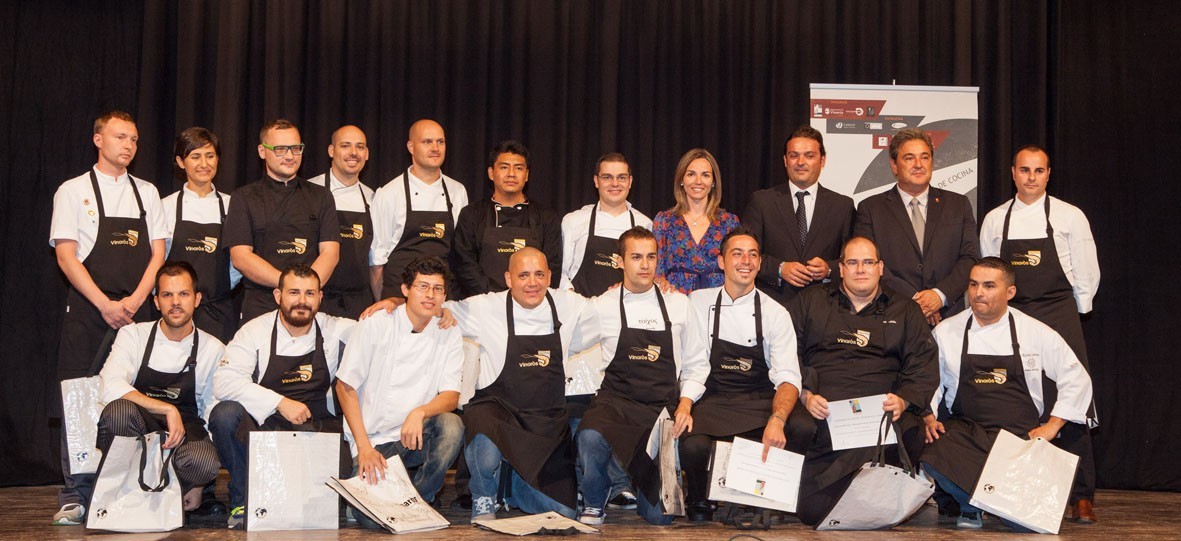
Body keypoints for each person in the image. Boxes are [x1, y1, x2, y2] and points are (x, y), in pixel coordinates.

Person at [49, 110, 168, 525]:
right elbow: (66, 256)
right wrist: (103, 303)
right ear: (98, 140)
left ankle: (133, 488)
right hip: (89, 310)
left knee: (135, 396)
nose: (128, 145)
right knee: (80, 399)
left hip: (135, 312)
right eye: (120, 137)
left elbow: (158, 253)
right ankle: (76, 494)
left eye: (133, 139)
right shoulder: (72, 191)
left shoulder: (147, 192)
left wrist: (135, 301)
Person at [920, 258, 1093, 531]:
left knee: (1029, 527)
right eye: (974, 284)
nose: (979, 293)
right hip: (967, 435)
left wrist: (1052, 426)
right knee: (931, 451)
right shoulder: (947, 331)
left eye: (989, 286)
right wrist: (929, 416)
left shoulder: (1035, 331)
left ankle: (982, 503)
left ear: (1010, 292)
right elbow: (930, 381)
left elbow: (1076, 377)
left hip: (1018, 438)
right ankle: (976, 506)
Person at [978, 145, 1101, 522]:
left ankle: (1081, 494)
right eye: (1024, 170)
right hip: (1015, 314)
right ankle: (1020, 488)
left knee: (1071, 396)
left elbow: (1086, 266)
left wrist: (1080, 308)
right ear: (1012, 173)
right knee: (1017, 399)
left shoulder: (1069, 216)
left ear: (1048, 174)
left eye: (1039, 170)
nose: (1031, 177)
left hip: (1059, 311)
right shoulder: (996, 219)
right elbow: (989, 270)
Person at [788, 236, 939, 526]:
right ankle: (852, 498)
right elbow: (786, 353)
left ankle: (830, 494)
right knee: (798, 427)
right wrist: (805, 394)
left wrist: (904, 400)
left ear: (880, 268)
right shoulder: (810, 301)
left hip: (880, 410)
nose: (861, 269)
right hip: (823, 407)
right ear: (841, 268)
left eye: (868, 262)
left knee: (910, 429)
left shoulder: (906, 310)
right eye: (853, 262)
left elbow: (923, 365)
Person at [571, 227, 706, 525]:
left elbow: (697, 362)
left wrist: (685, 404)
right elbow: (567, 341)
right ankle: (594, 499)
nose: (645, 265)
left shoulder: (678, 304)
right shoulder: (603, 305)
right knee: (589, 435)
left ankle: (634, 486)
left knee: (660, 518)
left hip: (659, 412)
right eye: (636, 257)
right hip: (615, 405)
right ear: (620, 262)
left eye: (651, 257)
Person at [446, 248, 589, 520]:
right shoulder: (485, 307)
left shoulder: (569, 305)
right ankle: (483, 495)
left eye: (539, 274)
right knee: (483, 425)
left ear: (549, 277)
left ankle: (508, 483)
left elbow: (612, 308)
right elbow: (432, 308)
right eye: (523, 275)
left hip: (545, 426)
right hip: (500, 413)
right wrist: (395, 300)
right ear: (508, 279)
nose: (532, 283)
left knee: (564, 512)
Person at [209, 264, 356, 529]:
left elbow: (381, 330)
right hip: (267, 426)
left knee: (321, 505)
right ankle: (243, 500)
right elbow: (223, 382)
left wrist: (392, 303)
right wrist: (280, 403)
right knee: (225, 414)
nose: (302, 301)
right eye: (294, 292)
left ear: (320, 297)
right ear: (278, 296)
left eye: (310, 293)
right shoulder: (254, 331)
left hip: (316, 428)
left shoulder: (337, 330)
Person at [674, 227, 803, 523]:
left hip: (757, 399)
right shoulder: (697, 302)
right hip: (715, 397)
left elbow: (788, 376)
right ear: (721, 262)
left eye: (753, 255)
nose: (746, 261)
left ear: (759, 263)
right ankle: (700, 498)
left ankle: (773, 496)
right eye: (737, 254)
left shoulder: (775, 312)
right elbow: (694, 363)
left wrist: (777, 419)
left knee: (802, 426)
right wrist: (685, 403)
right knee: (693, 444)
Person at [335, 256, 464, 519]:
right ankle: (382, 500)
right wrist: (364, 447)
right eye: (423, 287)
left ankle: (419, 499)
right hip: (373, 442)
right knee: (370, 522)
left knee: (451, 426)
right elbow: (344, 387)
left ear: (444, 296)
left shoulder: (448, 330)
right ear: (405, 289)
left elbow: (451, 396)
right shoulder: (377, 323)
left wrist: (419, 412)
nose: (430, 295)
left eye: (437, 289)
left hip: (413, 437)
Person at [95, 262, 224, 514]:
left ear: (197, 299)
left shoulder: (213, 348)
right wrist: (167, 409)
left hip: (184, 432)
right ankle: (129, 493)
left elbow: (212, 410)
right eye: (167, 295)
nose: (175, 302)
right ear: (156, 301)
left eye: (183, 294)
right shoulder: (133, 335)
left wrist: (199, 483)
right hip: (139, 427)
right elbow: (109, 385)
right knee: (118, 412)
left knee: (204, 463)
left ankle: (177, 489)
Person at [854, 128, 979, 326]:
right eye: (909, 158)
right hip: (892, 317)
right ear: (894, 165)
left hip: (948, 318)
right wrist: (915, 300)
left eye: (925, 157)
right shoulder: (871, 208)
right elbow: (870, 263)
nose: (919, 165)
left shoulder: (958, 205)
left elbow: (970, 257)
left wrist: (939, 296)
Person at [223, 119, 340, 322]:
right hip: (261, 305)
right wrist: (289, 286)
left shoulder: (321, 196)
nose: (289, 156)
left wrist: (304, 291)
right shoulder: (244, 197)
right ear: (262, 151)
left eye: (295, 148)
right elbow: (241, 257)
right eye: (280, 149)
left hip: (308, 306)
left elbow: (330, 252)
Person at [742, 125, 855, 307]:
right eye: (794, 155)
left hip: (825, 307)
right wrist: (780, 268)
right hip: (772, 305)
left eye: (809, 156)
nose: (800, 162)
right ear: (785, 160)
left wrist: (829, 269)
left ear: (822, 160)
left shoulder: (842, 206)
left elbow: (853, 258)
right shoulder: (762, 201)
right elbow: (745, 253)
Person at [370, 119, 469, 302]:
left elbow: (461, 252)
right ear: (411, 147)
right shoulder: (389, 193)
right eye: (427, 142)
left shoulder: (457, 191)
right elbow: (377, 260)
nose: (435, 148)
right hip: (399, 297)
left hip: (441, 298)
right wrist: (383, 302)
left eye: (440, 142)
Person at [452, 140, 561, 297]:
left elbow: (552, 267)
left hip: (530, 302)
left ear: (527, 175)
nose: (511, 174)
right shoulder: (471, 214)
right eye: (504, 167)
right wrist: (496, 298)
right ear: (491, 173)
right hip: (483, 303)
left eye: (518, 168)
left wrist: (522, 298)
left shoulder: (546, 217)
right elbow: (464, 264)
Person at [162, 127, 241, 343]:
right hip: (176, 314)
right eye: (195, 157)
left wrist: (221, 289)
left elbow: (239, 264)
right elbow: (157, 260)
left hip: (219, 313)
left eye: (210, 156)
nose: (204, 164)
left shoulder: (233, 206)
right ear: (181, 162)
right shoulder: (165, 207)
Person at [559, 153, 654, 296]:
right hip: (582, 306)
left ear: (630, 181)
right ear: (596, 181)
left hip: (628, 306)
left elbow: (648, 275)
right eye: (607, 177)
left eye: (621, 177)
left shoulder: (645, 224)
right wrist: (573, 300)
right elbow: (560, 273)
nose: (615, 183)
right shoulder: (574, 221)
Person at [307, 125, 376, 318]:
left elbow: (376, 259)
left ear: (367, 154)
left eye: (360, 147)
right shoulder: (310, 191)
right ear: (331, 151)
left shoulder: (373, 198)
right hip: (317, 299)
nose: (353, 153)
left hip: (359, 303)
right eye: (345, 146)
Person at [653, 148, 741, 294]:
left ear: (713, 182)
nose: (698, 181)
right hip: (675, 299)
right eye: (691, 174)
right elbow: (657, 268)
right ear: (681, 180)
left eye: (705, 175)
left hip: (717, 300)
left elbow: (736, 268)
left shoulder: (729, 222)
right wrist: (660, 283)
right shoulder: (664, 220)